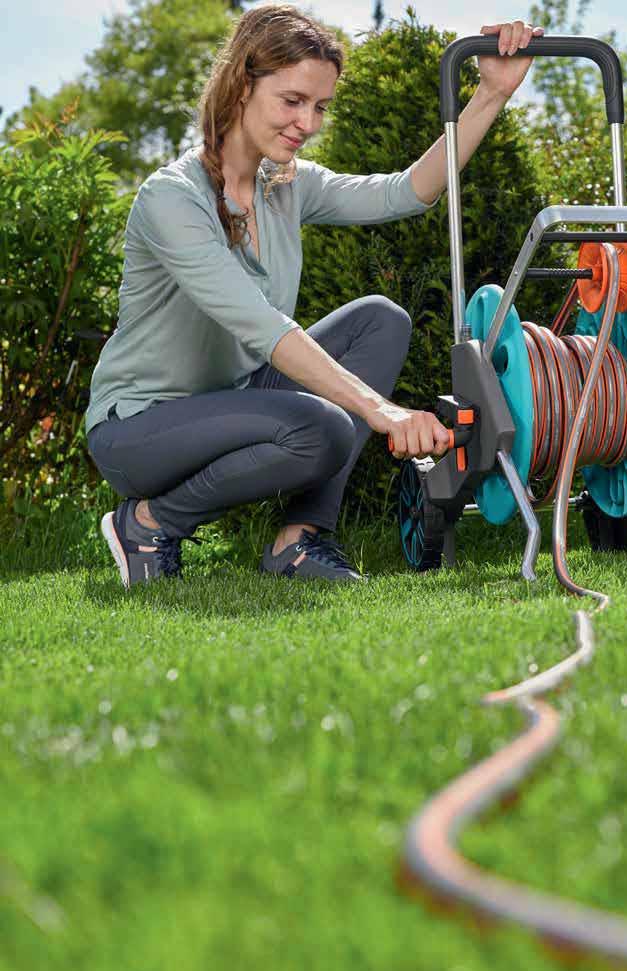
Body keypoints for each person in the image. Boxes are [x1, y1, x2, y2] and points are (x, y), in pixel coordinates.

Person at [84, 4, 543, 587]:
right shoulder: (172, 200)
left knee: (380, 321)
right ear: (241, 87)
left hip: (235, 399)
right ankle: (149, 524)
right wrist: (383, 412)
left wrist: (491, 96)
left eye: (320, 106)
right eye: (292, 101)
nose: (309, 122)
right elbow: (266, 329)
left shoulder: (286, 184)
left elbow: (407, 192)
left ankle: (297, 542)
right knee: (323, 425)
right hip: (140, 428)